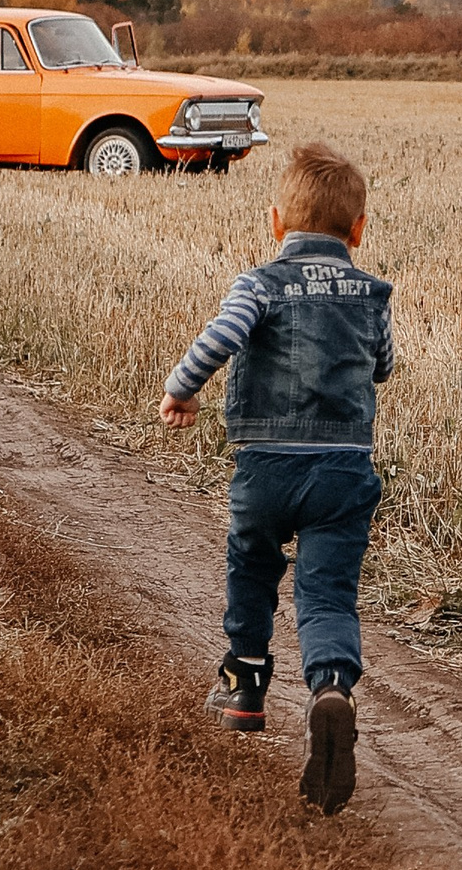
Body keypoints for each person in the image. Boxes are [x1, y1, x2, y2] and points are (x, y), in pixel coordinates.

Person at [160, 138, 391, 819]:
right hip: (342, 470)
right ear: (358, 230)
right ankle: (330, 689)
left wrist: (183, 388)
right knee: (325, 595)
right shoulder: (371, 293)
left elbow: (222, 336)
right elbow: (383, 365)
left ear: (275, 223)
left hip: (265, 466)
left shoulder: (259, 283)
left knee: (253, 566)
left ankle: (245, 684)